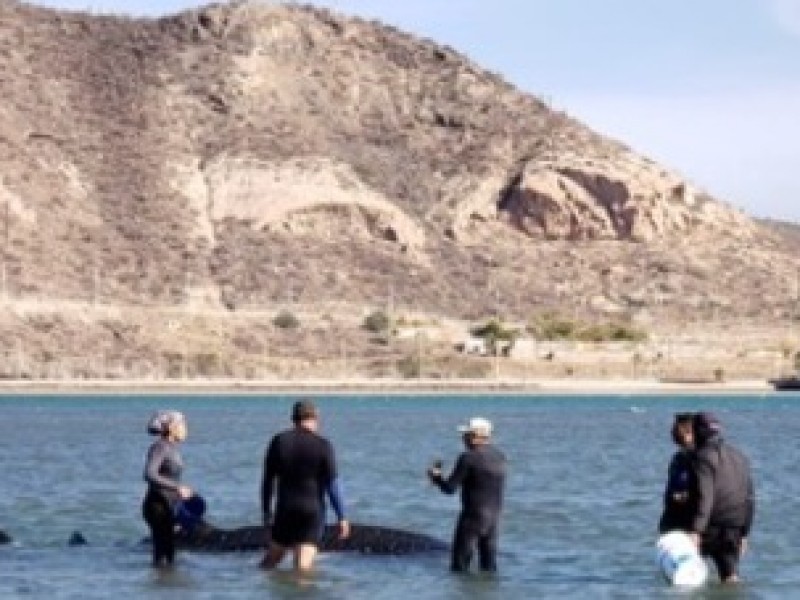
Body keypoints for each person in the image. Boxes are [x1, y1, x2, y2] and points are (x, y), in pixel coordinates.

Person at [260, 400, 350, 572]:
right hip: (311, 512)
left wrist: (266, 514)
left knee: (270, 561)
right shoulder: (324, 445)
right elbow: (333, 485)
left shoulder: (278, 442)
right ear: (315, 418)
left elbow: (267, 482)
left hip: (285, 510)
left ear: (294, 419)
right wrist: (342, 517)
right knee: (302, 568)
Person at [427, 416, 506, 573]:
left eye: (466, 434)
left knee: (459, 567)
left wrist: (436, 478)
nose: (463, 438)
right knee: (489, 568)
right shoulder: (500, 456)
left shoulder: (468, 458)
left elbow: (449, 489)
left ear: (476, 436)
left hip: (472, 519)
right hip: (494, 520)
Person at [687, 412, 755, 583]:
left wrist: (696, 531)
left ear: (697, 432)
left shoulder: (702, 457)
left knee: (688, 575)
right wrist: (745, 533)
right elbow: (750, 497)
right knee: (730, 577)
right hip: (735, 526)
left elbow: (705, 495)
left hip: (712, 526)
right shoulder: (739, 456)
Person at [142, 410, 193, 567]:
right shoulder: (160, 447)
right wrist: (178, 487)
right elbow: (149, 474)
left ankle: (164, 588)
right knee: (163, 555)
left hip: (168, 506)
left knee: (169, 554)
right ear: (171, 427)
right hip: (157, 506)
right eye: (182, 424)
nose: (186, 428)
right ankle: (160, 586)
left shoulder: (171, 448)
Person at [658, 413, 696, 534]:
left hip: (688, 522)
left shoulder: (698, 458)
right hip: (672, 521)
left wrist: (684, 496)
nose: (675, 432)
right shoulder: (678, 458)